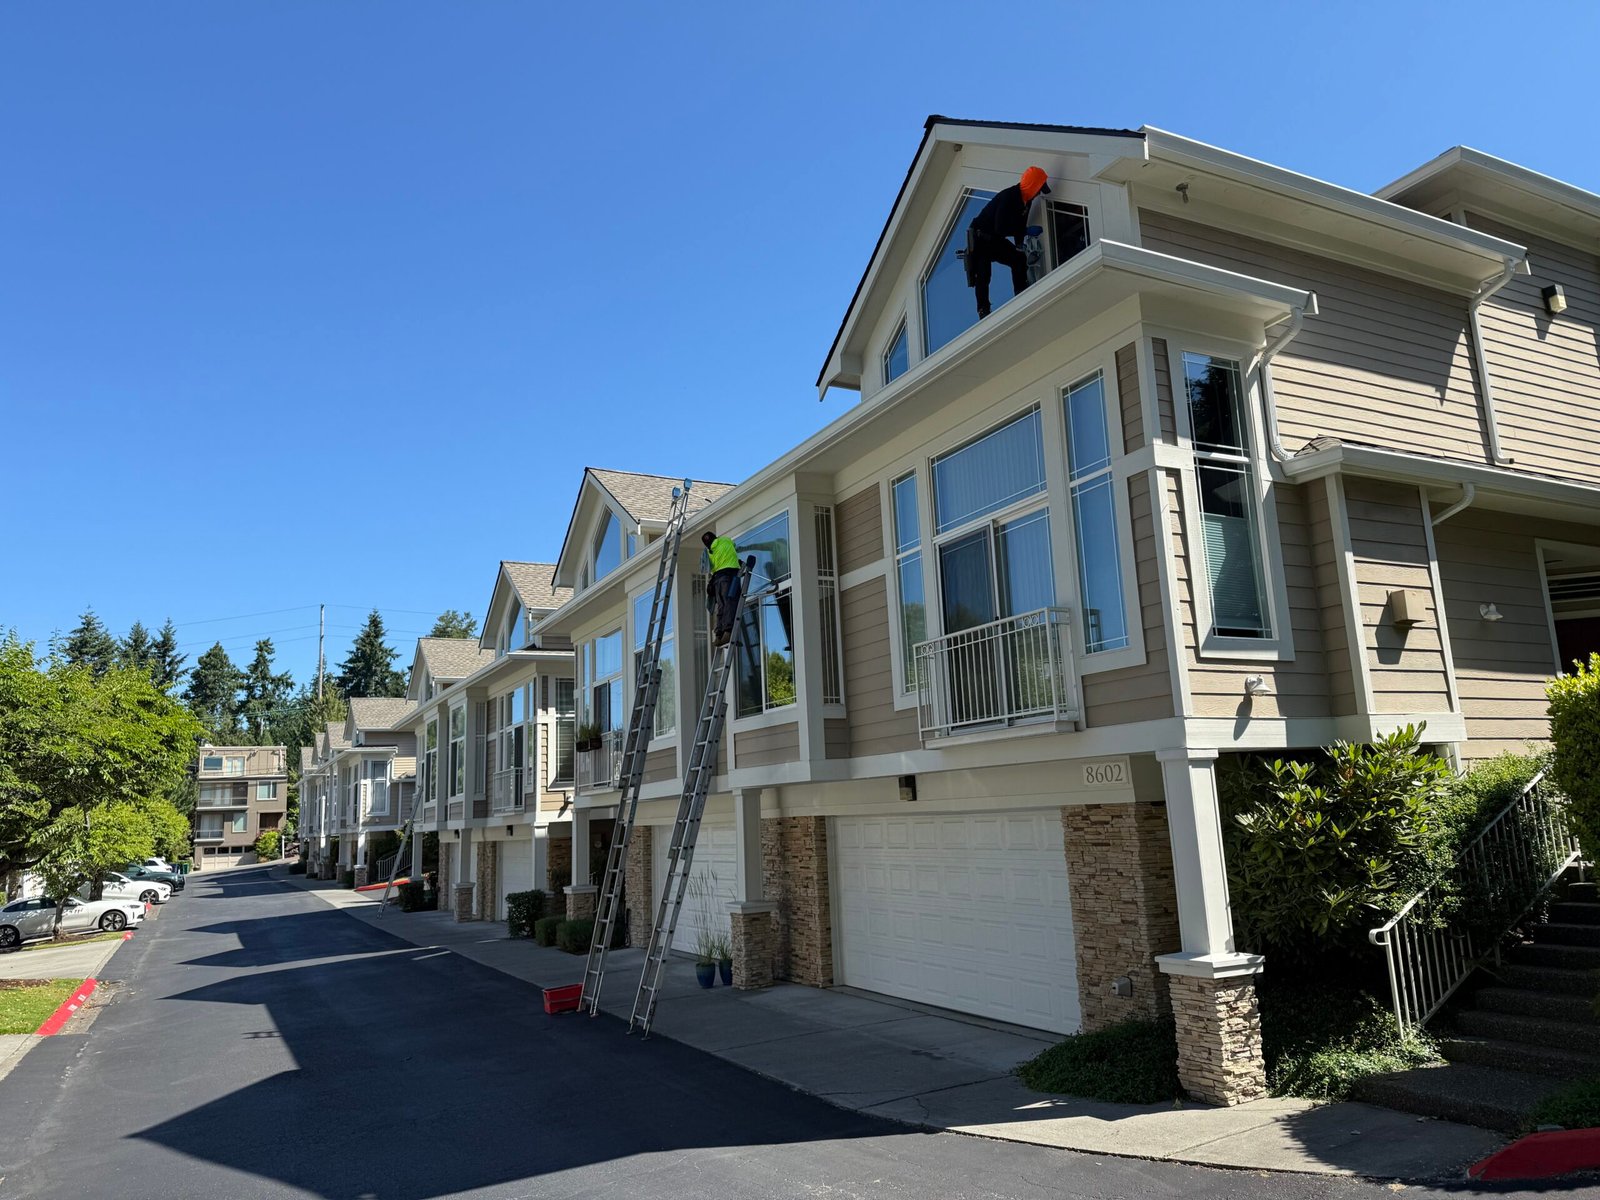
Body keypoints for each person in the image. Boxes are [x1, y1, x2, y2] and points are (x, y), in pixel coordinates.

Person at [964, 166, 1051, 319]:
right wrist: (1026, 231)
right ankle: (983, 311)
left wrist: (1019, 244)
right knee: (983, 274)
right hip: (981, 239)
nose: (1038, 194)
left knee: (1018, 259)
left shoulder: (1026, 202)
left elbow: (1019, 224)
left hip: (995, 239)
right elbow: (1001, 228)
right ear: (1032, 186)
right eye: (1038, 189)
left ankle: (1021, 293)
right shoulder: (1009, 197)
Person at [702, 530, 741, 647]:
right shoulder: (726, 540)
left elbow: (709, 567)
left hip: (718, 579)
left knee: (721, 606)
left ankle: (719, 634)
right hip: (730, 575)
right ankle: (728, 632)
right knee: (730, 603)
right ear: (716, 537)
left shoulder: (709, 552)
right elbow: (735, 547)